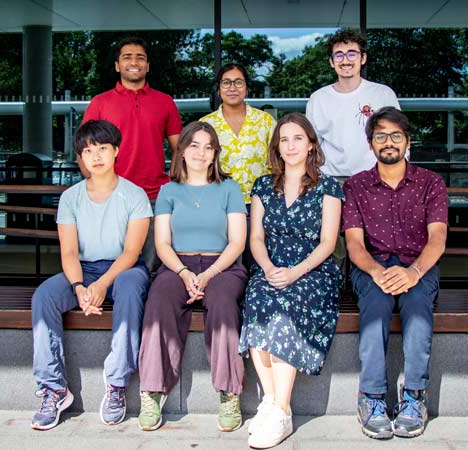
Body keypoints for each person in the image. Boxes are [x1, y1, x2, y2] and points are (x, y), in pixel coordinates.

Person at [30, 120, 151, 430]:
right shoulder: (71, 198)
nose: (96, 156)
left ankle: (117, 384)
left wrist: (100, 284)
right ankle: (54, 389)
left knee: (129, 288)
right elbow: (69, 253)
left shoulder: (134, 195)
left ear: (116, 152)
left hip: (123, 269)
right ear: (80, 158)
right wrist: (80, 287)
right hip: (82, 271)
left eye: (102, 148)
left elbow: (131, 253)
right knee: (44, 296)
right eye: (88, 151)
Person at [239, 113, 344, 449]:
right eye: (284, 139)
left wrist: (295, 272)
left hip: (313, 271)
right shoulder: (262, 187)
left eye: (298, 138)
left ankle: (282, 410)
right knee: (258, 300)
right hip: (270, 267)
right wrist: (269, 268)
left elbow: (328, 243)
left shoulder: (328, 187)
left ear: (311, 144)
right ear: (277, 148)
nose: (291, 145)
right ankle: (271, 402)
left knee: (285, 306)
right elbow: (255, 238)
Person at [342, 107, 448, 439]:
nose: (388, 142)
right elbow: (354, 245)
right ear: (370, 143)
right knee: (375, 308)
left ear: (408, 141)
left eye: (396, 135)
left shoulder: (431, 183)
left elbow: (438, 238)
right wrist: (376, 272)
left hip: (419, 266)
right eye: (381, 136)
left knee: (417, 309)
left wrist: (414, 272)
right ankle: (371, 397)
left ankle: (415, 397)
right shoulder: (356, 186)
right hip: (371, 268)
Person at [137, 121, 249, 432]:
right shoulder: (168, 191)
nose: (201, 152)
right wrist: (185, 273)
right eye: (194, 145)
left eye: (208, 146)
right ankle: (152, 390)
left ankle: (229, 392)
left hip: (223, 265)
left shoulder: (230, 188)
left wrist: (210, 273)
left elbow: (237, 242)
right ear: (182, 150)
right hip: (178, 264)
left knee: (224, 305)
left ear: (215, 154)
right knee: (158, 302)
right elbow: (161, 243)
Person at [82, 36, 183, 270]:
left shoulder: (165, 102)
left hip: (154, 196)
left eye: (140, 57)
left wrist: (174, 183)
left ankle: (148, 305)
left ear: (147, 66)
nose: (134, 62)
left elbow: (180, 149)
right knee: (113, 261)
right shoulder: (99, 103)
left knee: (151, 263)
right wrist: (94, 183)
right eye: (127, 57)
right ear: (118, 65)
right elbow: (83, 148)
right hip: (112, 195)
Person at [306, 28, 400, 178]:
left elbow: (399, 137)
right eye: (339, 55)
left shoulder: (383, 94)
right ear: (331, 61)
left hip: (376, 179)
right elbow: (311, 146)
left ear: (363, 58)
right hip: (332, 182)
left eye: (352, 54)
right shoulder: (318, 99)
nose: (345, 61)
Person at [199, 63, 275, 204]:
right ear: (218, 89)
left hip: (261, 203)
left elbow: (277, 164)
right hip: (218, 204)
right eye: (226, 83)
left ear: (246, 88)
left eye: (238, 82)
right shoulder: (206, 125)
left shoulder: (266, 122)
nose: (232, 88)